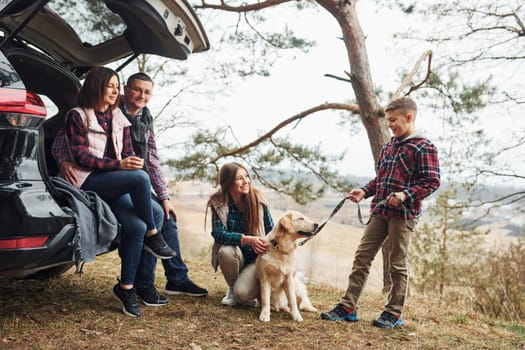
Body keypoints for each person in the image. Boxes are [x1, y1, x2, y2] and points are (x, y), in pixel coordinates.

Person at [57, 66, 175, 317]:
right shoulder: (78, 115)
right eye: (110, 86)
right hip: (86, 179)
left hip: (113, 181)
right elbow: (79, 155)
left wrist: (130, 163)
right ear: (96, 86)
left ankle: (126, 288)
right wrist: (119, 166)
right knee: (140, 180)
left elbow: (130, 153)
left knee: (139, 224)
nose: (115, 91)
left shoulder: (121, 118)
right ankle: (154, 236)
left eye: (116, 86)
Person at [320, 96, 440, 329]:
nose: (390, 125)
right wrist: (364, 191)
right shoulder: (389, 146)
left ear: (409, 117)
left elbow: (432, 182)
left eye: (393, 120)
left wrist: (405, 195)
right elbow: (381, 179)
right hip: (379, 211)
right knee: (361, 258)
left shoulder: (424, 147)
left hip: (403, 216)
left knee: (397, 265)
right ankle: (348, 307)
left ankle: (393, 313)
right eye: (387, 121)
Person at [207, 162, 274, 306]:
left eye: (247, 176)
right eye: (239, 178)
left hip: (257, 260)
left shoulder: (258, 200)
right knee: (225, 251)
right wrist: (246, 239)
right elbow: (218, 234)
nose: (246, 181)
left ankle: (249, 289)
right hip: (235, 256)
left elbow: (271, 232)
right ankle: (232, 288)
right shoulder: (218, 202)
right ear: (228, 182)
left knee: (243, 296)